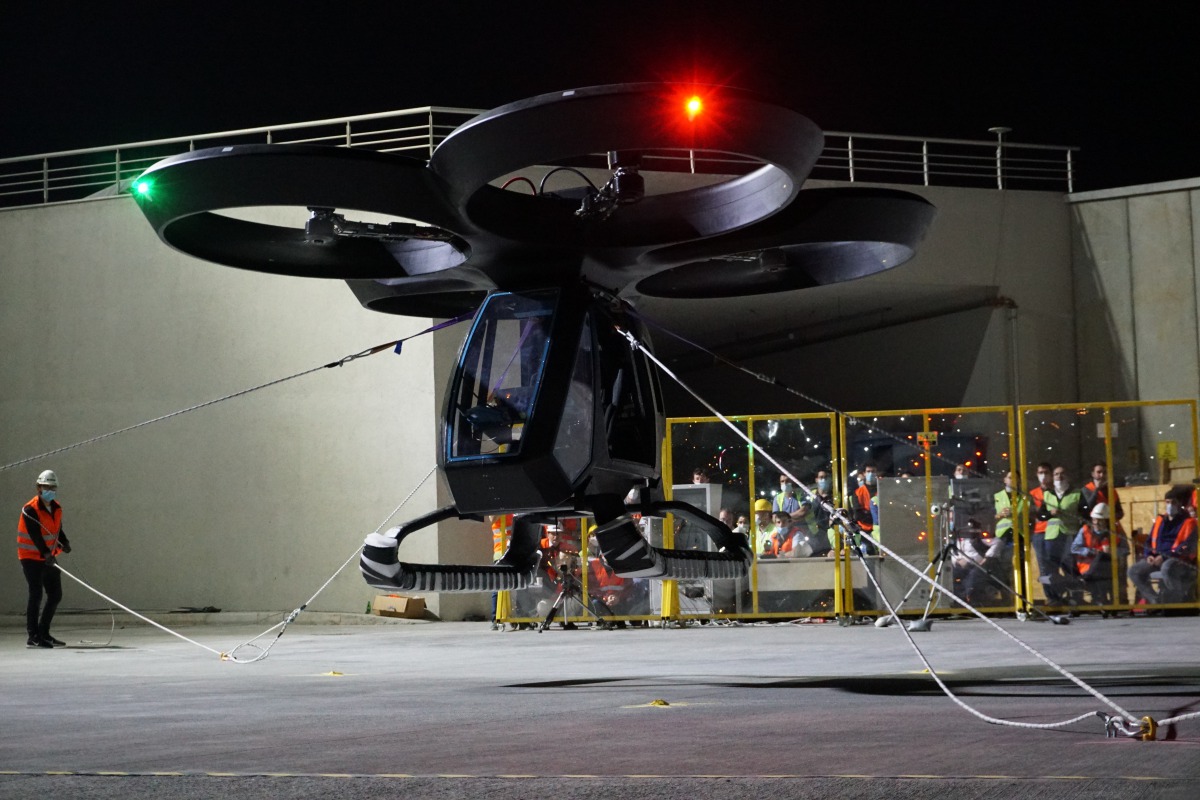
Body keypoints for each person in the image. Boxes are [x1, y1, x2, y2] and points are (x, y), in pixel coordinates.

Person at [17, 469, 71, 648]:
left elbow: (57, 529)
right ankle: (33, 636)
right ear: (38, 488)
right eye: (46, 487)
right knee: (36, 593)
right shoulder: (30, 509)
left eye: (53, 487)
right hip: (31, 558)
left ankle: (44, 632)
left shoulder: (56, 507)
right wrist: (46, 554)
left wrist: (64, 542)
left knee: (55, 594)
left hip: (49, 558)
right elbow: (35, 536)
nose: (50, 490)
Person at [1129, 486, 1198, 606]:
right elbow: (1149, 541)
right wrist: (1149, 555)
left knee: (1167, 567)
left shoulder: (1189, 522)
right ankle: (1155, 600)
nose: (1170, 505)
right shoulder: (1160, 520)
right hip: (1156, 558)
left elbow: (1186, 547)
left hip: (1179, 560)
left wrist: (1165, 557)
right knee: (1134, 571)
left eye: (1173, 503)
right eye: (1167, 502)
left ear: (1180, 504)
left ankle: (1178, 600)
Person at [1071, 502, 1128, 606]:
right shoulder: (1085, 530)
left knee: (1102, 557)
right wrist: (1092, 552)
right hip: (1087, 567)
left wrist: (1112, 550)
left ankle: (1096, 594)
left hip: (1110, 567)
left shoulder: (1116, 531)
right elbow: (1074, 548)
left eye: (1099, 520)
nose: (1096, 523)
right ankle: (1098, 597)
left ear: (1106, 521)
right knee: (1100, 556)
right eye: (1094, 519)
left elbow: (1125, 550)